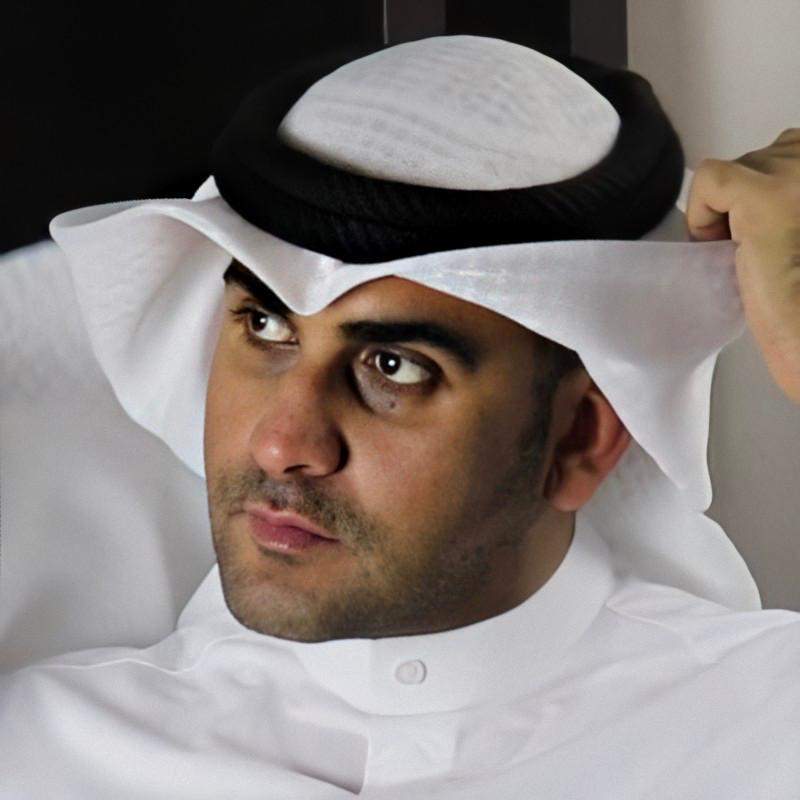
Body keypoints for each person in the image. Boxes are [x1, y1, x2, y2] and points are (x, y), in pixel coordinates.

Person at [1, 35, 798, 798]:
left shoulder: (766, 734)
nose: (281, 444)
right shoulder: (42, 757)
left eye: (393, 367)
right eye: (265, 326)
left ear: (581, 436)